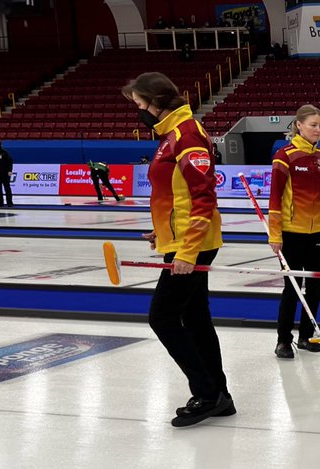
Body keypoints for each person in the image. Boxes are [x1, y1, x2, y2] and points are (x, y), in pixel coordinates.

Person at [122, 72, 233, 427]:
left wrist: (185, 251)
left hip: (194, 243)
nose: (138, 109)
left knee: (163, 317)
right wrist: (162, 235)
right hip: (184, 238)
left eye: (139, 103)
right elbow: (175, 195)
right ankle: (218, 393)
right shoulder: (171, 134)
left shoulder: (185, 135)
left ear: (156, 100)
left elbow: (202, 197)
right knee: (196, 317)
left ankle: (206, 392)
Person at [268, 105, 320, 358]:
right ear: (299, 125)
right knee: (292, 289)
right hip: (291, 234)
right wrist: (275, 235)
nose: (318, 130)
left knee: (314, 288)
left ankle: (305, 337)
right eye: (314, 125)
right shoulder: (284, 155)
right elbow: (275, 199)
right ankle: (283, 340)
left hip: (316, 236)